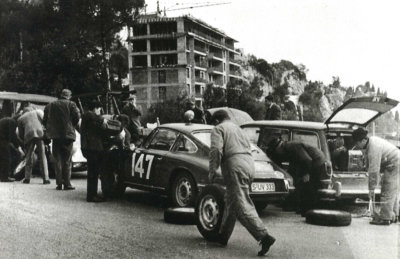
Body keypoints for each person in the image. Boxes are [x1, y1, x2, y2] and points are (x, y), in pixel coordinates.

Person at [209, 110, 275, 256]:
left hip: (235, 165)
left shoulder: (218, 129)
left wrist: (212, 171)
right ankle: (222, 237)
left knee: (241, 204)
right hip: (249, 165)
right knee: (231, 200)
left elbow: (216, 150)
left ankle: (264, 236)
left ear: (216, 121)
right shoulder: (239, 129)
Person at [267, 138, 328, 216]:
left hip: (317, 162)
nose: (277, 154)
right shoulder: (286, 149)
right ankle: (298, 207)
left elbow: (307, 160)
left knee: (309, 186)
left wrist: (306, 174)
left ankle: (309, 210)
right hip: (310, 162)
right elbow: (293, 166)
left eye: (276, 152)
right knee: (298, 182)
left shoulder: (292, 147)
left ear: (279, 147)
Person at [352, 128, 400, 225]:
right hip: (394, 161)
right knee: (392, 190)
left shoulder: (374, 147)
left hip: (394, 163)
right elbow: (368, 164)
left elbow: (374, 170)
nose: (356, 146)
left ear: (363, 140)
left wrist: (371, 189)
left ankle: (385, 218)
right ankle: (393, 215)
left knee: (387, 189)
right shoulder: (370, 144)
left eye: (357, 143)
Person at [43, 89, 80, 190]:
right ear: (69, 96)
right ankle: (67, 183)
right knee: (67, 160)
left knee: (57, 159)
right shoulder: (71, 104)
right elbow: (77, 117)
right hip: (68, 135)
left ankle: (59, 183)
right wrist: (72, 125)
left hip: (55, 136)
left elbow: (45, 119)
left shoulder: (51, 105)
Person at [80, 101, 108, 202]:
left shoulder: (90, 119)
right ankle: (92, 196)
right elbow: (96, 118)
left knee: (93, 172)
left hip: (91, 148)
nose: (100, 111)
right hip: (92, 148)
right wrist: (103, 120)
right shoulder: (89, 115)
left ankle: (92, 194)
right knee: (93, 173)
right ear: (95, 108)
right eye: (99, 109)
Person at [17, 108, 50, 184]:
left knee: (29, 157)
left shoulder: (20, 118)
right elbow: (44, 121)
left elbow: (21, 133)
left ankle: (27, 178)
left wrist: (24, 143)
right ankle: (46, 178)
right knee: (42, 156)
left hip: (28, 135)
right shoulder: (36, 112)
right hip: (39, 134)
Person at [0, 117, 19, 182]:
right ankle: (5, 177)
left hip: (2, 138)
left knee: (2, 158)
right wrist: (18, 145)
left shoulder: (7, 120)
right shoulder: (12, 122)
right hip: (2, 140)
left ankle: (2, 176)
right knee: (6, 158)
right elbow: (12, 135)